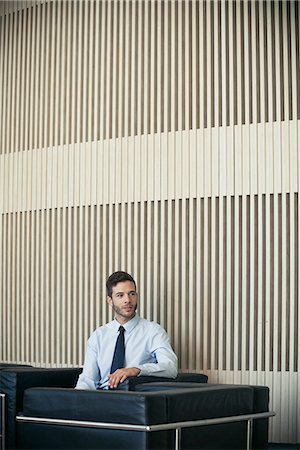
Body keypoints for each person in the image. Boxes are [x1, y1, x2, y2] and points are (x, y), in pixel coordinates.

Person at [76, 271, 178, 390]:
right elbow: (88, 380)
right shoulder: (99, 335)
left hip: (132, 399)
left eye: (132, 294)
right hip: (102, 398)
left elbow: (170, 367)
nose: (128, 300)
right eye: (120, 295)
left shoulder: (153, 331)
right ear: (110, 300)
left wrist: (136, 370)